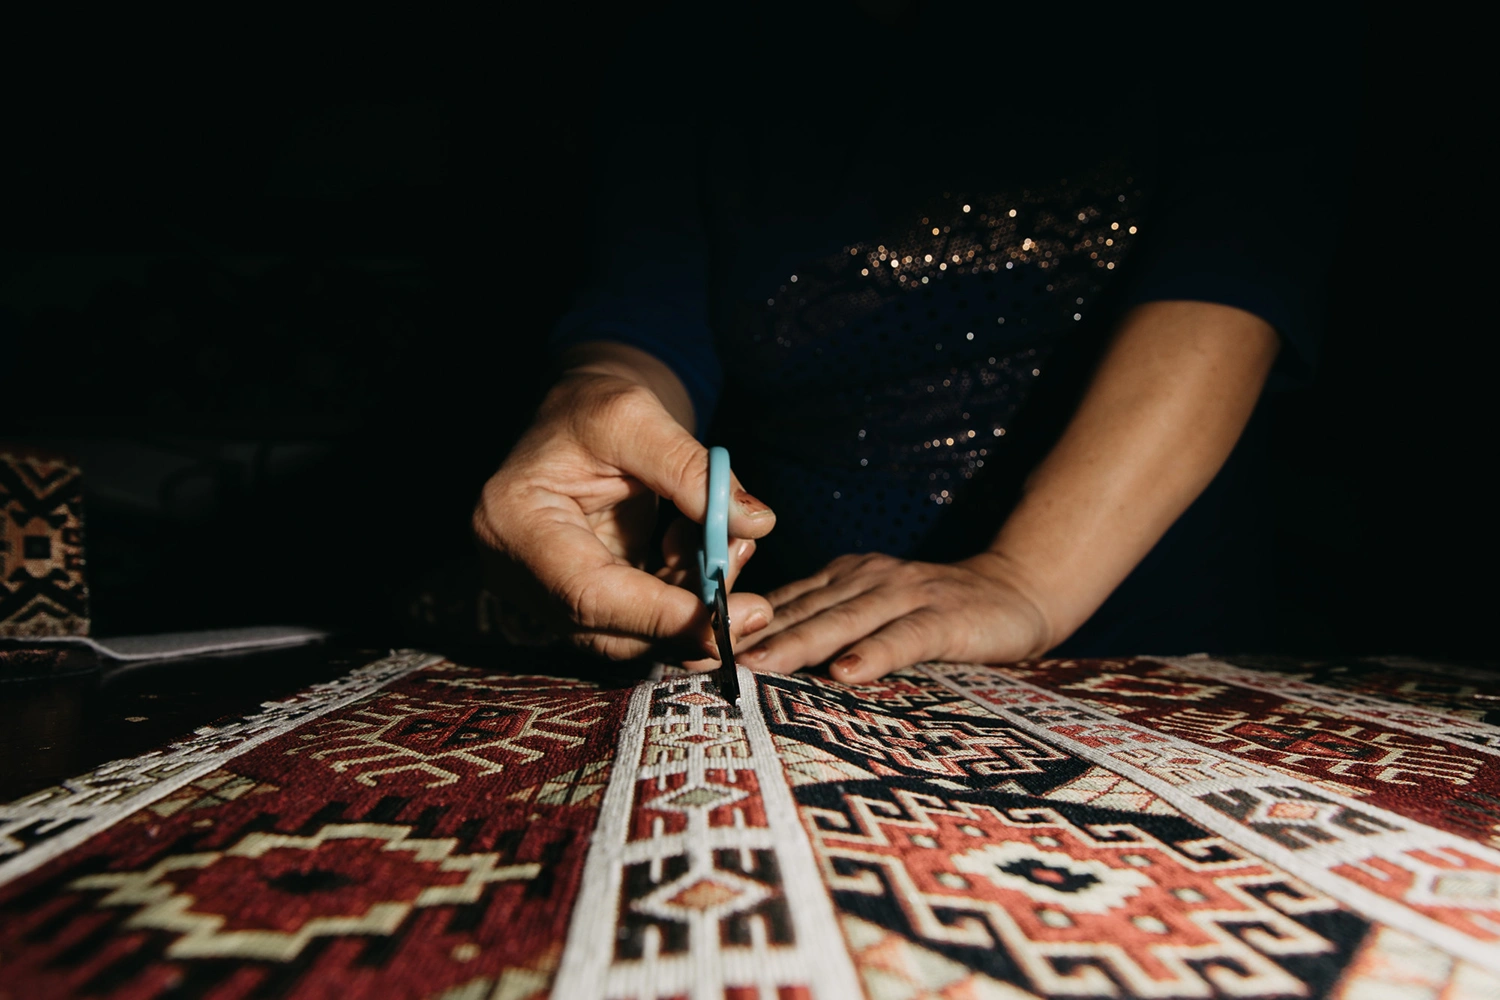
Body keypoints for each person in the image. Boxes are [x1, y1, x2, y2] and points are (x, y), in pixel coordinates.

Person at [474, 1, 1356, 684]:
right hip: (816, 635)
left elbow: (1234, 277)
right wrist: (592, 405)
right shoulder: (686, 45)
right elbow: (644, 317)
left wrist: (1025, 580)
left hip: (1155, 642)